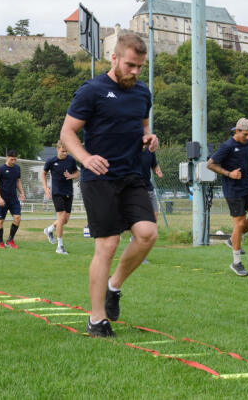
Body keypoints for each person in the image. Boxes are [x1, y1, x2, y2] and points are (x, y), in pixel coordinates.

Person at [60, 32, 157, 338]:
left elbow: (143, 126)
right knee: (108, 244)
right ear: (114, 58)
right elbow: (67, 132)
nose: (136, 72)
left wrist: (148, 137)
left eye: (140, 66)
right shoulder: (92, 91)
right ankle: (97, 318)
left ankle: (113, 287)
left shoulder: (143, 93)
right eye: (130, 65)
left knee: (147, 233)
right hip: (99, 177)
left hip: (133, 175)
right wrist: (85, 158)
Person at [207, 118, 248, 277]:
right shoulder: (227, 146)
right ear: (237, 131)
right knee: (239, 223)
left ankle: (232, 240)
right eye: (245, 135)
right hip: (233, 189)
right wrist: (229, 174)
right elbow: (210, 164)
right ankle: (236, 262)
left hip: (247, 186)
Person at [42, 141, 79, 255]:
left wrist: (71, 176)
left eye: (66, 151)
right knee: (61, 217)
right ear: (57, 149)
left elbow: (77, 173)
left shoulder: (71, 160)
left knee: (65, 220)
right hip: (57, 192)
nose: (65, 153)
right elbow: (43, 173)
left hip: (69, 192)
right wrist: (45, 188)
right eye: (63, 151)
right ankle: (60, 246)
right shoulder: (51, 161)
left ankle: (49, 229)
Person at [0, 150, 24, 249]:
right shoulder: (1, 169)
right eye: (11, 159)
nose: (13, 161)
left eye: (15, 159)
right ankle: (1, 243)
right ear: (7, 157)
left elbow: (18, 181)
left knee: (17, 218)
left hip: (14, 198)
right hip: (3, 199)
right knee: (0, 221)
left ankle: (10, 240)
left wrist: (22, 193)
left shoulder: (17, 168)